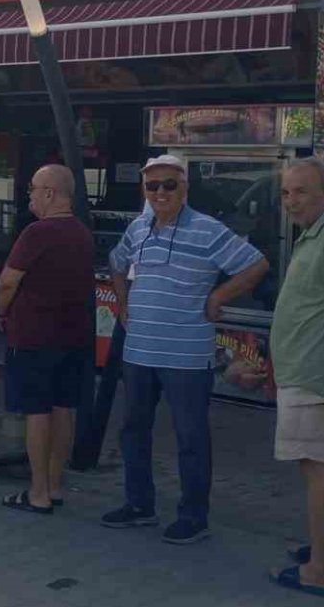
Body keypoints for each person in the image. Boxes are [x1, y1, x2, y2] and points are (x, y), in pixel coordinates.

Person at [101, 154, 269, 544]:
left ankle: (194, 516)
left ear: (185, 188)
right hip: (139, 351)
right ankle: (139, 505)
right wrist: (122, 301)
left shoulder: (208, 230)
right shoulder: (139, 227)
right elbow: (116, 262)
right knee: (133, 429)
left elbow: (256, 265)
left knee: (191, 437)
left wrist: (220, 296)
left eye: (168, 185)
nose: (160, 192)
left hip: (187, 356)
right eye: (152, 186)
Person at [0, 165, 94, 513]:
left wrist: (0, 312)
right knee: (63, 408)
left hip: (35, 336)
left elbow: (8, 281)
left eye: (34, 189)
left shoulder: (37, 233)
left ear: (50, 193)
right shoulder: (82, 232)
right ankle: (55, 485)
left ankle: (37, 492)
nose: (30, 195)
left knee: (36, 411)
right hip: (73, 336)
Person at [270, 159, 324, 595]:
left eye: (301, 191)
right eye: (286, 193)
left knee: (318, 473)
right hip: (303, 375)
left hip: (315, 380)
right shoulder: (313, 236)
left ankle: (318, 571)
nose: (291, 202)